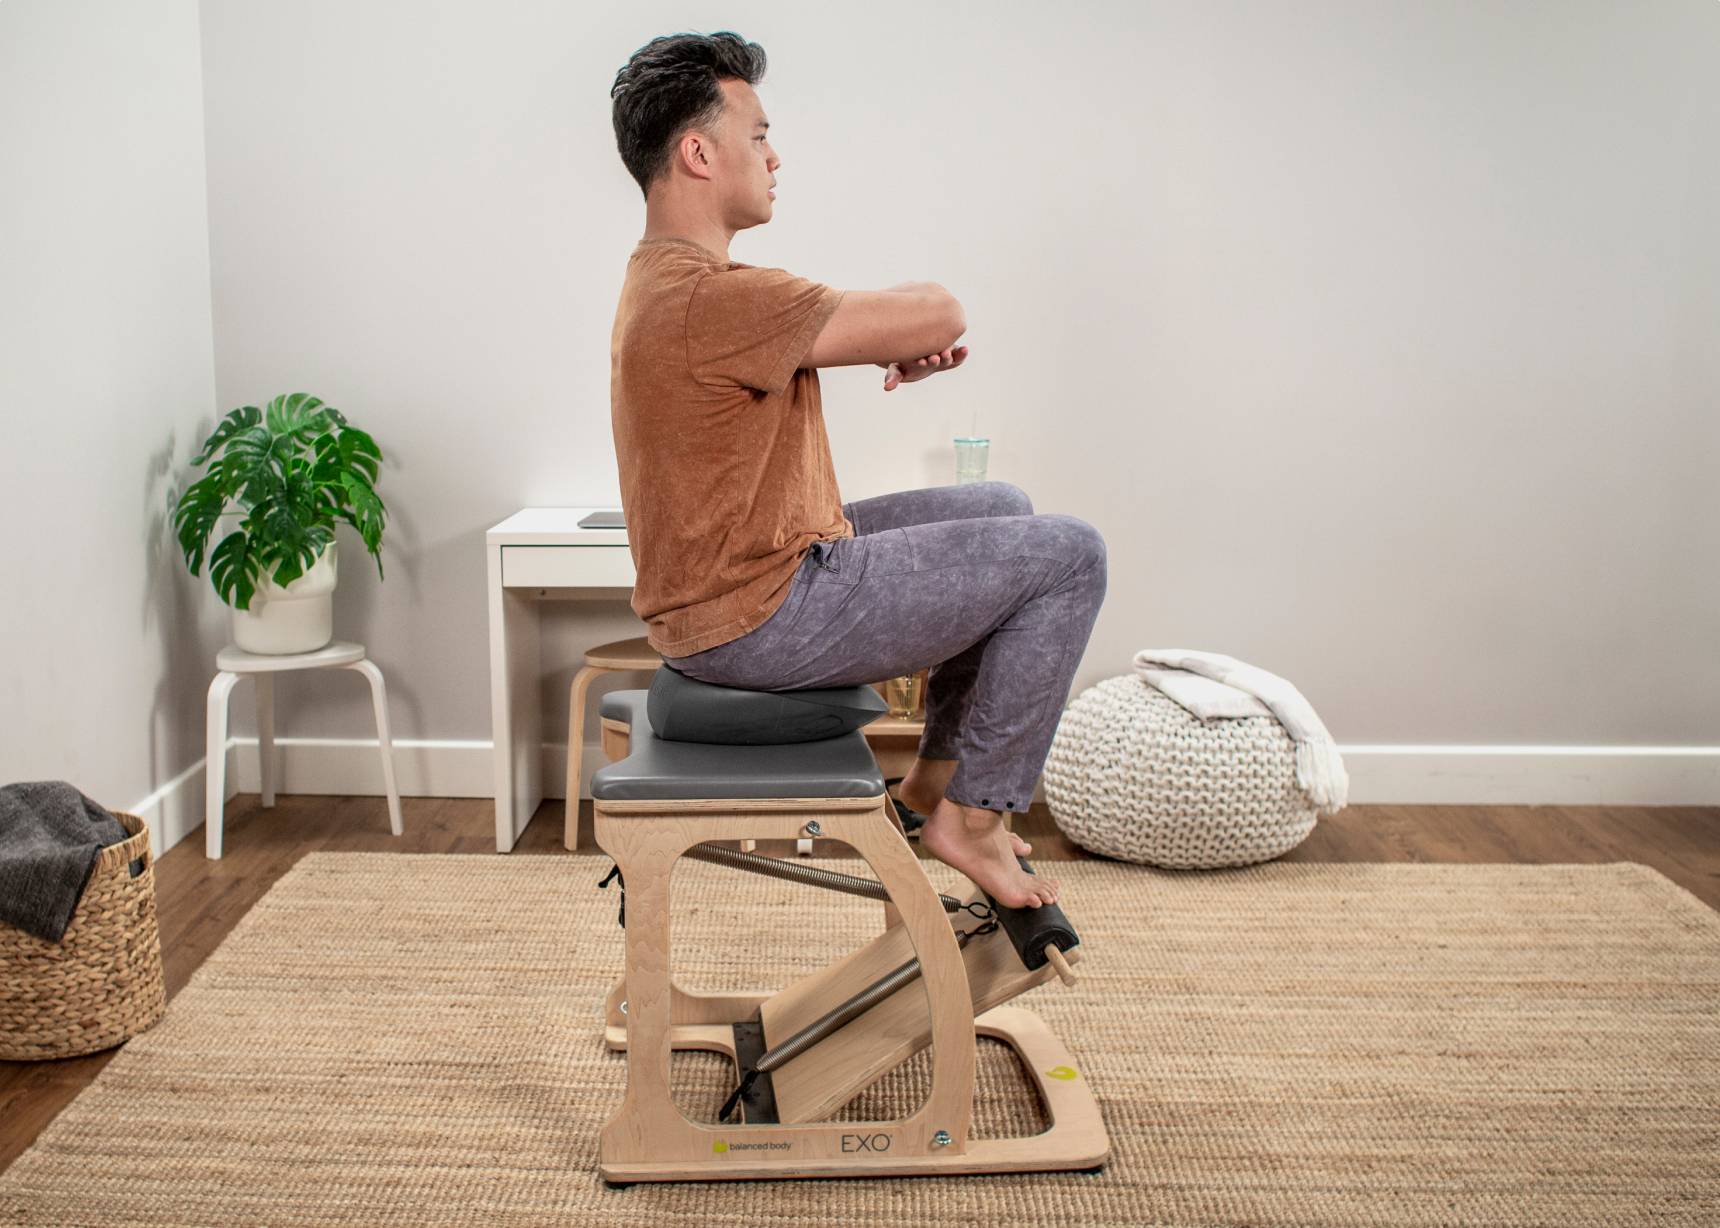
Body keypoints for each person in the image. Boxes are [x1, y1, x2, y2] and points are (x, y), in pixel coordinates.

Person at [608, 31, 1106, 909]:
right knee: (1071, 554)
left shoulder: (669, 285)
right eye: (757, 135)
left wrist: (883, 339)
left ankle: (927, 791)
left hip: (744, 582)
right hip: (757, 615)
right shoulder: (714, 297)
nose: (775, 156)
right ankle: (974, 821)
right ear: (697, 152)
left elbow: (894, 325)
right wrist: (906, 332)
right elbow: (940, 309)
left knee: (1003, 504)